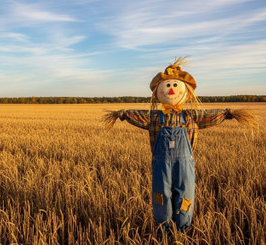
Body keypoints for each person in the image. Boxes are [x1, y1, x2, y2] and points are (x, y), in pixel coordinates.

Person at [103, 57, 257, 233]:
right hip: (161, 165)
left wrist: (227, 113)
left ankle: (183, 229)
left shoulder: (191, 116)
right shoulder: (154, 117)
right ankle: (165, 229)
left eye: (175, 86)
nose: (171, 90)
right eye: (167, 86)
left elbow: (209, 115)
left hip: (184, 165)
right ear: (158, 92)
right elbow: (136, 115)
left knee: (185, 195)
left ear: (186, 92)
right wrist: (122, 114)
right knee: (161, 195)